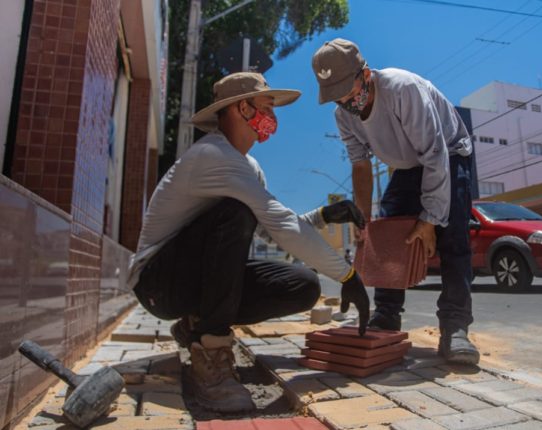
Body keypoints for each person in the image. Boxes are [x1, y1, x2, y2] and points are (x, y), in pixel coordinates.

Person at [127, 72, 370, 412]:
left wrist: (324, 215)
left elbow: (271, 229)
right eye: (267, 107)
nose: (273, 117)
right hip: (157, 283)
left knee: (303, 285)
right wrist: (348, 275)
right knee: (236, 212)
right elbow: (278, 223)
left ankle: (195, 325)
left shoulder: (248, 166)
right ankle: (212, 359)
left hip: (189, 279)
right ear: (243, 108)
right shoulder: (212, 154)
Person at [311, 39, 479, 363]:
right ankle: (386, 316)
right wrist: (363, 219)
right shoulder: (343, 115)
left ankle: (455, 327)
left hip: (449, 152)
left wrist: (429, 220)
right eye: (337, 97)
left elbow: (434, 156)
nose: (346, 102)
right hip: (407, 166)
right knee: (385, 235)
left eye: (348, 91)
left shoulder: (403, 89)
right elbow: (360, 164)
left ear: (366, 74)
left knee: (453, 237)